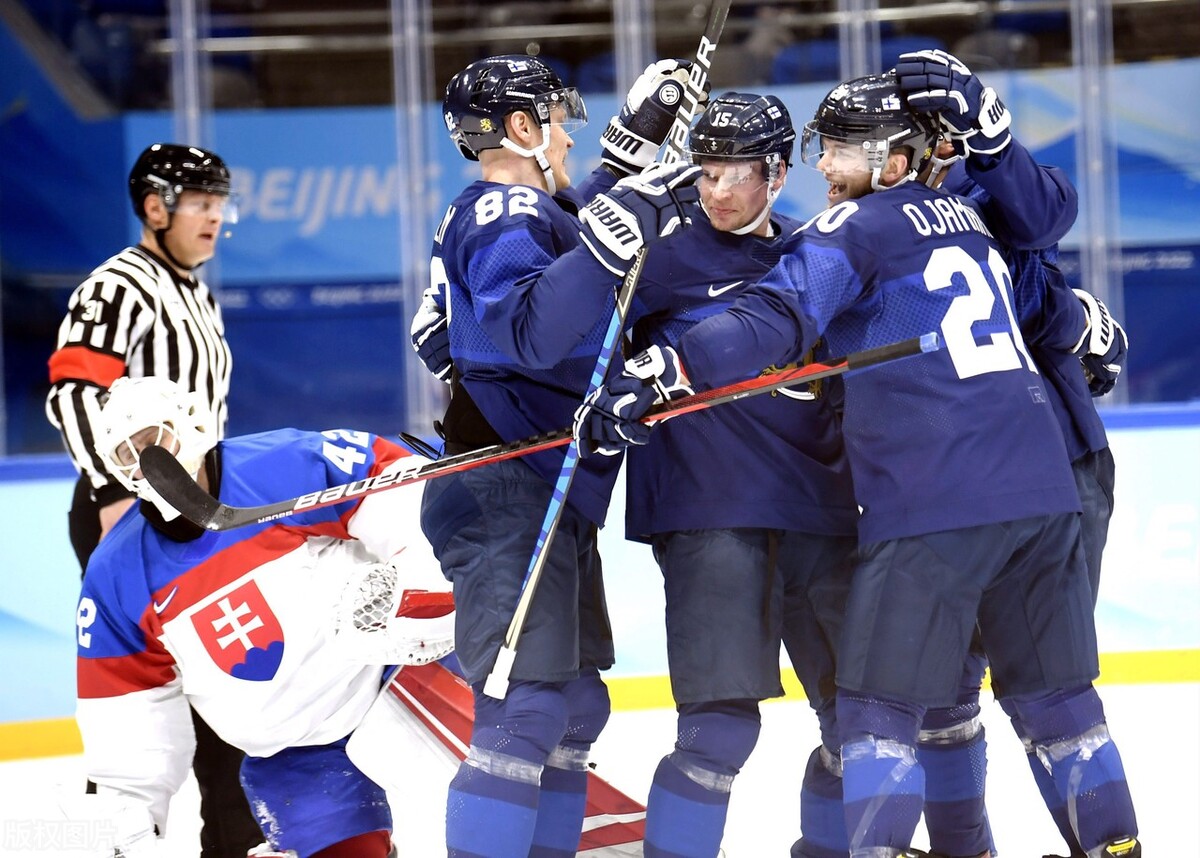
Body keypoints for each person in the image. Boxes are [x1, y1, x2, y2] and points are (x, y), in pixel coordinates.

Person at [575, 71, 1139, 858]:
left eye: (840, 150)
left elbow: (777, 313)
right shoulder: (976, 225)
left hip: (935, 499)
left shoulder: (854, 231)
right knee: (1061, 705)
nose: (826, 167)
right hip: (1041, 491)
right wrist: (1081, 320)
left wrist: (673, 366)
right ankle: (1113, 849)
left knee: (874, 711)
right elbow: (1044, 270)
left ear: (896, 161)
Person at [416, 54, 701, 857]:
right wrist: (632, 212)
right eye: (557, 118)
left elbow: (571, 243)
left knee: (572, 706)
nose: (570, 134)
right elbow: (532, 330)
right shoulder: (502, 207)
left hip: (538, 482)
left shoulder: (514, 210)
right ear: (519, 129)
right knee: (527, 712)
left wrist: (631, 155)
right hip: (503, 479)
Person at [594, 91, 860, 858]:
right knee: (717, 730)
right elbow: (565, 309)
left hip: (820, 512)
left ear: (778, 173)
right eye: (704, 172)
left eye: (732, 174)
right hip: (709, 511)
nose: (714, 191)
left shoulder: (820, 257)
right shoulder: (657, 259)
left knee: (858, 720)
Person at [898, 48, 1130, 858]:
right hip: (970, 481)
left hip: (1047, 468)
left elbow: (1041, 222)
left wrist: (990, 137)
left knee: (1039, 686)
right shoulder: (883, 224)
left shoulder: (981, 197)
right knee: (945, 693)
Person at [74, 376, 455, 857]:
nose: (148, 461)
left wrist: (413, 590)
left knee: (508, 811)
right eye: (129, 453)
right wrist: (128, 818)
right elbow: (126, 712)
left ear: (190, 424)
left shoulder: (283, 464)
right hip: (296, 757)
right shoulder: (115, 574)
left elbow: (421, 508)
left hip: (402, 686)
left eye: (156, 438)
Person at [45, 143, 261, 857]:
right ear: (154, 207)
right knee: (154, 706)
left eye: (219, 203)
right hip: (137, 513)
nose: (214, 217)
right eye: (199, 202)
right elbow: (74, 392)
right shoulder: (121, 285)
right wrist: (114, 493)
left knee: (221, 700)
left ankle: (228, 840)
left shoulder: (194, 292)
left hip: (187, 514)